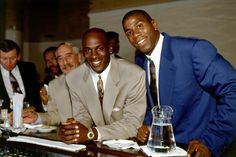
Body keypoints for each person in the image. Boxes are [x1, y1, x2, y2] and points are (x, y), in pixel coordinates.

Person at [122, 9, 236, 157]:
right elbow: (155, 102)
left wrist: (210, 141)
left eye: (139, 26)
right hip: (165, 149)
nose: (135, 35)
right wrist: (148, 126)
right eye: (129, 32)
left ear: (154, 24)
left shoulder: (194, 50)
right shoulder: (140, 59)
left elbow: (233, 90)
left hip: (199, 148)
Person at [59, 27, 146, 144]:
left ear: (110, 48)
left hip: (128, 145)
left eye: (99, 49)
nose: (94, 56)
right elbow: (83, 116)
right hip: (97, 146)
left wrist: (92, 133)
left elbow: (132, 124)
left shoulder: (134, 74)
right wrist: (74, 129)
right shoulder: (73, 78)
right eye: (88, 50)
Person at [22, 42, 82, 125]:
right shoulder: (54, 85)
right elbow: (55, 116)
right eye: (60, 59)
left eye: (69, 56)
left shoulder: (92, 78)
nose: (65, 62)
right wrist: (37, 118)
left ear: (79, 57)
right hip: (68, 133)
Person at [0, 39, 44, 112]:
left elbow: (36, 97)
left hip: (29, 118)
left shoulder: (29, 68)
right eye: (4, 58)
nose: (8, 62)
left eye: (12, 58)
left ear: (18, 56)